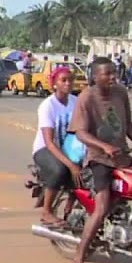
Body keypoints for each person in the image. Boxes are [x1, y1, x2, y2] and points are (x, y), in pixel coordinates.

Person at [69, 57, 132, 263]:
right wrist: (104, 146)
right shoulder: (86, 98)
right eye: (107, 74)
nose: (112, 77)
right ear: (95, 76)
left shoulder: (120, 93)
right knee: (102, 206)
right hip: (99, 159)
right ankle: (78, 259)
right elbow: (80, 133)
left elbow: (127, 126)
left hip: (122, 156)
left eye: (114, 73)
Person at [32, 65, 80, 226]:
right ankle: (46, 212)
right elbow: (49, 142)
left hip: (69, 148)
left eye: (70, 80)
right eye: (63, 80)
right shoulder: (48, 106)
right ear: (54, 84)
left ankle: (70, 208)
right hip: (46, 149)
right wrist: (71, 165)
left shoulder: (76, 102)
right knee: (60, 170)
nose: (68, 83)